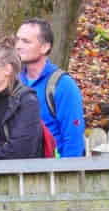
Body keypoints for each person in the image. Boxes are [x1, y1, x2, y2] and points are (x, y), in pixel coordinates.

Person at [16, 18, 86, 158]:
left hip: (52, 167)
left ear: (45, 47)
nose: (18, 46)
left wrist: (67, 170)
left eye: (26, 41)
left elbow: (73, 138)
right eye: (17, 40)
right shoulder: (13, 82)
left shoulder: (62, 85)